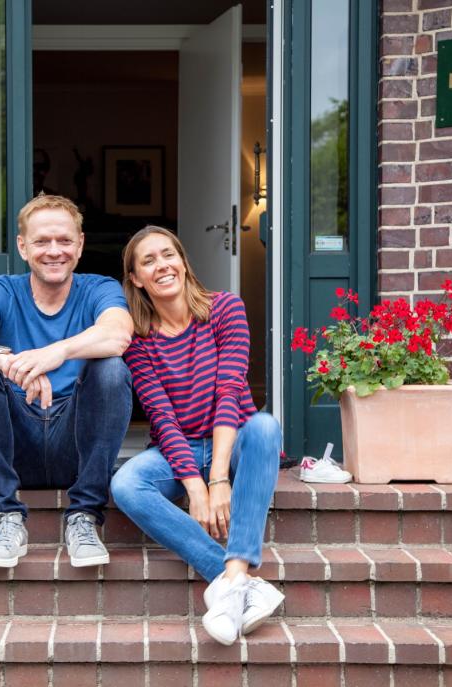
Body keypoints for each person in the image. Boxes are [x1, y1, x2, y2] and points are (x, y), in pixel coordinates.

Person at [110, 225, 283, 646]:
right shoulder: (138, 338)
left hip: (233, 440)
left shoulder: (226, 309)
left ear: (184, 262)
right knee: (125, 484)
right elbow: (161, 417)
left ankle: (238, 570)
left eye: (168, 255)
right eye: (147, 261)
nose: (161, 266)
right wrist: (195, 486)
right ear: (135, 278)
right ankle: (237, 581)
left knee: (265, 425)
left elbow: (229, 391)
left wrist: (219, 478)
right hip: (179, 449)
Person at [0, 194, 133, 569]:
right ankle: (6, 517)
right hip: (15, 447)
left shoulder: (99, 288)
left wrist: (56, 353)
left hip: (74, 448)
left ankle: (84, 515)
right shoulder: (2, 289)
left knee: (111, 368)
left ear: (79, 245)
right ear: (23, 246)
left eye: (64, 240)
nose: (54, 251)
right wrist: (8, 362)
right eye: (42, 241)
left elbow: (117, 334)